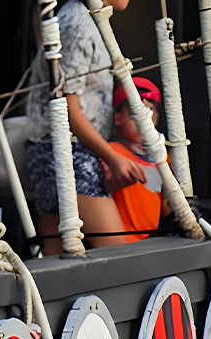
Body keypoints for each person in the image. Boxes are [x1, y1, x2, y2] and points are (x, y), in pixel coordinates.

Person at [24, 0, 144, 255]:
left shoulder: (86, 17)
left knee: (56, 259)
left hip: (62, 151)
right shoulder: (77, 19)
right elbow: (65, 106)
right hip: (66, 153)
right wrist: (113, 158)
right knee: (118, 256)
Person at [107, 77, 169, 244]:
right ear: (117, 117)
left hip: (153, 241)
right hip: (122, 243)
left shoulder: (163, 159)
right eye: (136, 113)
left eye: (150, 111)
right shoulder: (112, 153)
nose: (145, 119)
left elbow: (166, 209)